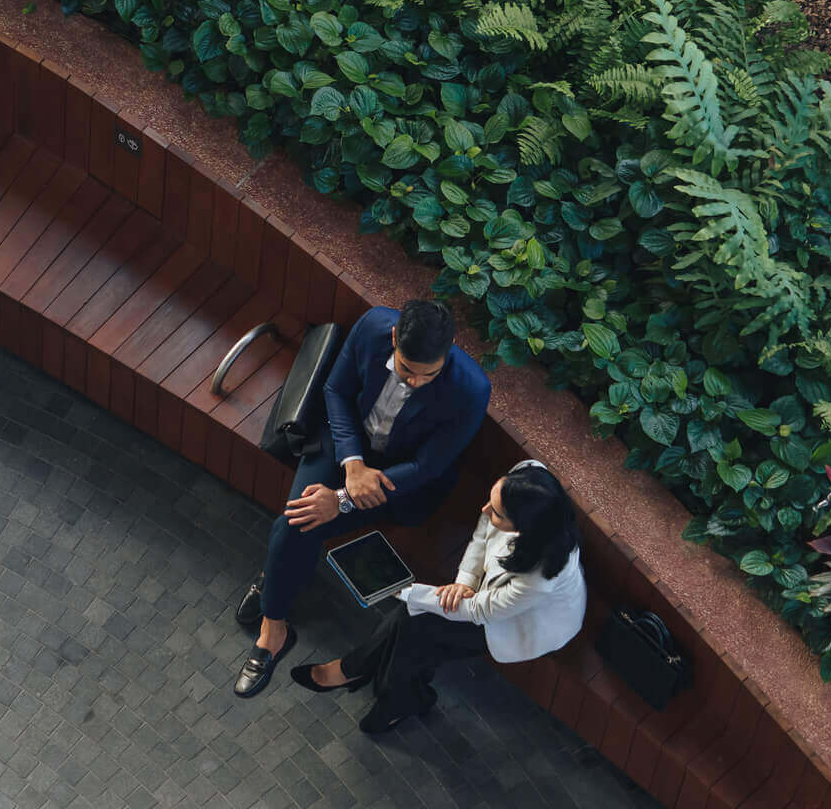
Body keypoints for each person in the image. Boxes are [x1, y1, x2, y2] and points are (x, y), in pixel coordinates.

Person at [231, 299, 490, 698]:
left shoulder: (471, 389)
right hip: (342, 444)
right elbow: (336, 390)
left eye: (428, 375)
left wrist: (343, 499)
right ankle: (274, 627)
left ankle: (274, 586)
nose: (415, 382)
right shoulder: (373, 326)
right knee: (296, 522)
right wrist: (351, 464)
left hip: (400, 480)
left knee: (300, 524)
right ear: (393, 338)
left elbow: (427, 467)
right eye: (406, 369)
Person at [292, 460, 585, 734]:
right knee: (414, 626)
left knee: (415, 624)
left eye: (496, 513)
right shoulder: (527, 475)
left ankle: (358, 671)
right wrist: (465, 582)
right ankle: (387, 692)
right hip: (486, 598)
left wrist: (402, 590)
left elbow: (480, 612)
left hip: (518, 624)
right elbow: (482, 536)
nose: (484, 510)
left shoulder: (540, 578)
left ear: (525, 526)